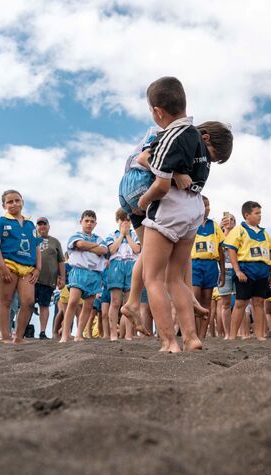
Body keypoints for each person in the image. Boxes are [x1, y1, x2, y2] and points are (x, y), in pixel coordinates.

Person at [135, 77, 233, 353]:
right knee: (176, 278)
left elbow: (161, 184)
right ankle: (191, 338)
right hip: (194, 208)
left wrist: (143, 201)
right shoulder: (198, 138)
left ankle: (169, 341)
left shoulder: (170, 136)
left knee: (153, 278)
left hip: (170, 207)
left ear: (157, 111)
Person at [0, 190, 41, 344]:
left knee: (29, 302)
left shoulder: (30, 224)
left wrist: (38, 268)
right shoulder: (0, 222)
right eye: (9, 202)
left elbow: (36, 247)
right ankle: (5, 337)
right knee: (6, 301)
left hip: (27, 267)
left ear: (22, 202)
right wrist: (2, 267)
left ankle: (18, 337)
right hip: (7, 263)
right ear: (4, 205)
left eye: (17, 200)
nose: (14, 204)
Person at [224, 201, 271, 341]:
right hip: (246, 270)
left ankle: (260, 335)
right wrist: (237, 271)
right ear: (247, 215)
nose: (260, 216)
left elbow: (270, 255)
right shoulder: (239, 230)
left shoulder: (265, 233)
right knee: (241, 302)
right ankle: (232, 335)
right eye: (256, 213)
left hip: (262, 272)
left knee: (259, 302)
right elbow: (231, 250)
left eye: (260, 213)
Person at [60, 210, 108, 342]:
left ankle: (79, 334)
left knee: (88, 306)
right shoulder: (76, 236)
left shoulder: (99, 238)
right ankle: (65, 334)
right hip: (79, 271)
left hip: (95, 274)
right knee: (73, 301)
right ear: (81, 222)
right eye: (86, 221)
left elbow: (104, 250)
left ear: (95, 224)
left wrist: (87, 247)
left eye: (92, 221)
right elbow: (79, 244)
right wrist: (94, 247)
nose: (89, 223)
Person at [191, 196, 226, 339]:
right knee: (194, 299)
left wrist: (222, 272)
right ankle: (192, 334)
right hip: (194, 264)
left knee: (207, 300)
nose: (207, 208)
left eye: (208, 206)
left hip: (211, 265)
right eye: (204, 205)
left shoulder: (214, 226)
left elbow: (220, 250)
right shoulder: (190, 223)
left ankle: (202, 336)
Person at [106, 209, 141, 341]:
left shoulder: (135, 235)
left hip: (131, 265)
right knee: (115, 301)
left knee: (128, 302)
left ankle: (129, 334)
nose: (125, 223)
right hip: (116, 265)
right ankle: (113, 334)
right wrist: (122, 235)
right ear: (118, 221)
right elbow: (111, 249)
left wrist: (128, 236)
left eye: (127, 220)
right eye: (122, 220)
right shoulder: (112, 235)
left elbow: (137, 249)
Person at [34, 217, 65, 339]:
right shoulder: (31, 239)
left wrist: (62, 277)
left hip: (48, 280)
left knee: (44, 305)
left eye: (44, 224)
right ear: (36, 227)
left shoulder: (55, 242)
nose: (42, 226)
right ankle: (22, 331)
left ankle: (42, 332)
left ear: (48, 226)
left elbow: (61, 261)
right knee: (27, 304)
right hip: (31, 278)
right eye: (39, 224)